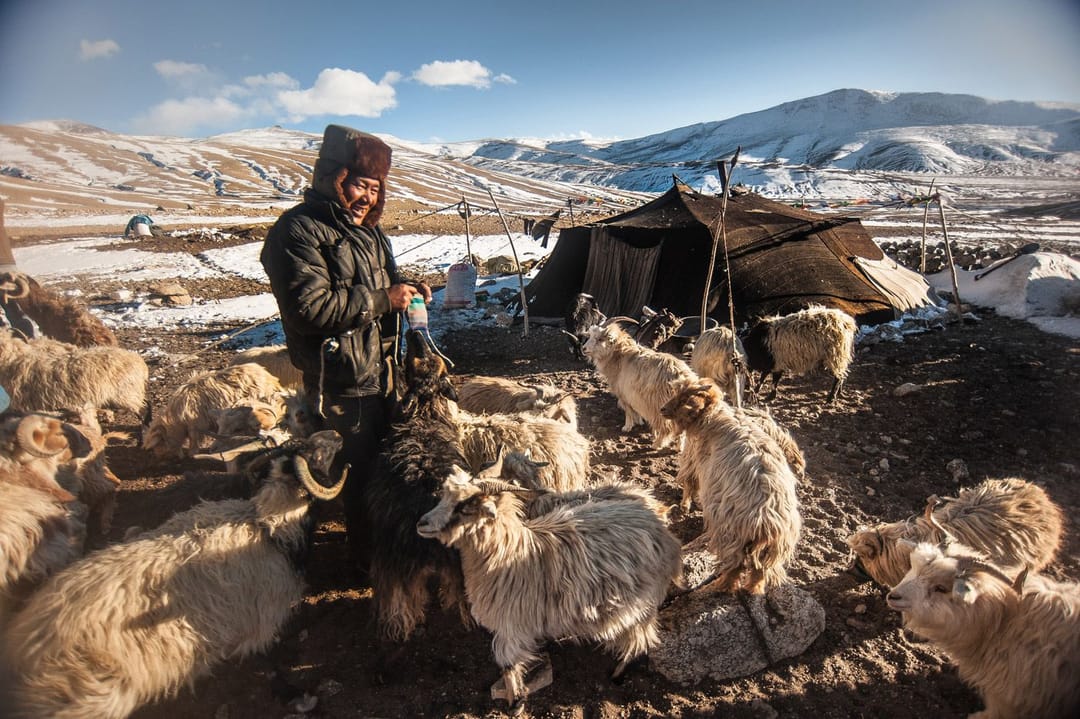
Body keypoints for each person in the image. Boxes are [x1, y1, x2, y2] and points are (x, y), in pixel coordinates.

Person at [260, 124, 430, 575]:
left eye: (376, 188)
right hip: (341, 380)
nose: (368, 198)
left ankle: (383, 549)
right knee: (354, 476)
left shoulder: (368, 234)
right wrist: (382, 299)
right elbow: (309, 310)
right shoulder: (297, 232)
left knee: (384, 469)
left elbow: (375, 291)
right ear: (332, 177)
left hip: (382, 372)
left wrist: (406, 291)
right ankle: (365, 564)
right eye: (359, 184)